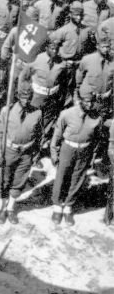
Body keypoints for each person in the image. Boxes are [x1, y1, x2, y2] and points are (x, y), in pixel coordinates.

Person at [50, 83, 104, 226]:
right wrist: (54, 154)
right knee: (61, 177)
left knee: (77, 179)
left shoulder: (97, 117)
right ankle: (57, 207)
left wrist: (92, 157)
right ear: (80, 100)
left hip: (84, 151)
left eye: (92, 101)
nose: (90, 104)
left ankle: (68, 207)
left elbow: (96, 140)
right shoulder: (67, 114)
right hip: (68, 148)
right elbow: (56, 136)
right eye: (87, 101)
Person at [0, 81, 43, 224]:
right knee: (5, 180)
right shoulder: (6, 111)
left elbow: (40, 136)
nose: (26, 100)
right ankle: (2, 207)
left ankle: (10, 208)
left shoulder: (37, 113)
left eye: (29, 97)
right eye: (23, 97)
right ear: (17, 96)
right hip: (9, 151)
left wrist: (35, 155)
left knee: (19, 181)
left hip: (26, 153)